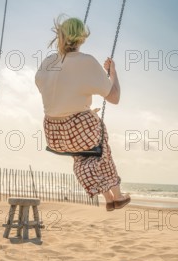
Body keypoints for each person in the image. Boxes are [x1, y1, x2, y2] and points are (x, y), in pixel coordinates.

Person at [35, 16, 131, 211]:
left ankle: (108, 198)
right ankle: (118, 195)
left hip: (53, 134)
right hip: (78, 130)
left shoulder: (47, 63)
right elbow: (114, 98)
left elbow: (43, 85)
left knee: (84, 156)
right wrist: (112, 72)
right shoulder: (86, 61)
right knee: (101, 146)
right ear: (81, 38)